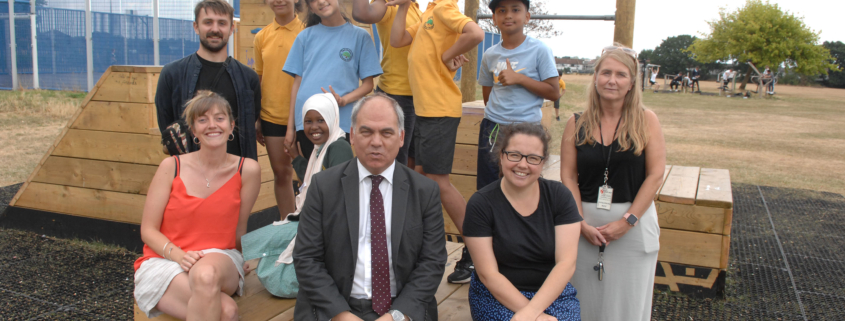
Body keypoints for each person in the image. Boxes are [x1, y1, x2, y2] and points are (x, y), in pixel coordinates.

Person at [293, 94, 447, 321]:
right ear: (353, 135)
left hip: (400, 310)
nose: (376, 142)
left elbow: (432, 263)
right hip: (335, 308)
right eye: (366, 132)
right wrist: (341, 315)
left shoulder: (425, 192)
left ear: (402, 137)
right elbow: (307, 259)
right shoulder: (323, 187)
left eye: (386, 133)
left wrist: (396, 316)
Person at [560, 44, 666, 321]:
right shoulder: (576, 123)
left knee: (627, 305)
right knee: (584, 299)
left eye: (620, 74)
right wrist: (579, 222)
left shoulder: (646, 121)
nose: (612, 80)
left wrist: (627, 221)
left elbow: (655, 174)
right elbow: (568, 175)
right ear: (595, 77)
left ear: (632, 83)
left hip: (633, 225)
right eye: (605, 72)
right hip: (584, 225)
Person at [134, 91, 262, 320]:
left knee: (205, 274)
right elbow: (148, 230)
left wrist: (242, 258)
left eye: (219, 118)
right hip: (166, 260)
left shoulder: (248, 170)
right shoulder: (171, 166)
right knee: (227, 312)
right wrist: (180, 256)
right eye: (203, 120)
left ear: (231, 126)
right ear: (194, 131)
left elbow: (239, 229)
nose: (212, 125)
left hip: (220, 258)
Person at [390, 0, 484, 284]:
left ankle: (478, 251)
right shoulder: (430, 13)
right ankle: (416, 250)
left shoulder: (444, 8)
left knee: (438, 181)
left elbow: (476, 34)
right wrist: (404, 6)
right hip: (425, 110)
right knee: (419, 178)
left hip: (439, 109)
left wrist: (447, 56)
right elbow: (397, 40)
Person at [464, 123, 582, 321]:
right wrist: (534, 315)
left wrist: (532, 312)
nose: (522, 164)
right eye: (514, 155)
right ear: (501, 156)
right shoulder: (481, 204)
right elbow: (488, 274)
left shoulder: (559, 196)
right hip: (497, 294)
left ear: (543, 163)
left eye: (533, 158)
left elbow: (566, 263)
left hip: (551, 293)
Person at [241, 93, 354, 292]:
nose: (314, 127)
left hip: (326, 227)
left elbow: (336, 195)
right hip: (311, 219)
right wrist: (295, 156)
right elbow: (314, 180)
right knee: (259, 245)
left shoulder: (339, 148)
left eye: (320, 120)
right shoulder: (321, 148)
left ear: (332, 118)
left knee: (276, 278)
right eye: (308, 121)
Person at [155, 0, 262, 160]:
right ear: (196, 27)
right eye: (208, 22)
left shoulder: (248, 79)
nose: (215, 29)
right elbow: (168, 137)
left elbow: (248, 126)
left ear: (232, 28)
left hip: (236, 174)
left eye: (222, 23)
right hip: (189, 175)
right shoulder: (172, 74)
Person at [283, 0, 383, 163]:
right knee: (313, 178)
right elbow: (297, 85)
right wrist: (291, 128)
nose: (321, 2)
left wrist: (344, 100)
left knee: (337, 178)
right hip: (308, 124)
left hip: (341, 122)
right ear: (310, 8)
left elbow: (368, 85)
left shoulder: (360, 36)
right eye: (314, 1)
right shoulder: (304, 37)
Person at [351, 0, 423, 167]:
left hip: (420, 96)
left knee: (413, 162)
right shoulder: (390, 4)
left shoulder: (418, 9)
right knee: (396, 162)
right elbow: (362, 13)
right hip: (397, 94)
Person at [253, 0, 304, 219]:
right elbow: (260, 79)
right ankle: (288, 227)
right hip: (272, 117)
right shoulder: (261, 37)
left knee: (306, 175)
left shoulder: (308, 32)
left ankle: (309, 230)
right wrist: (257, 119)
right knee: (282, 174)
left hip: (304, 119)